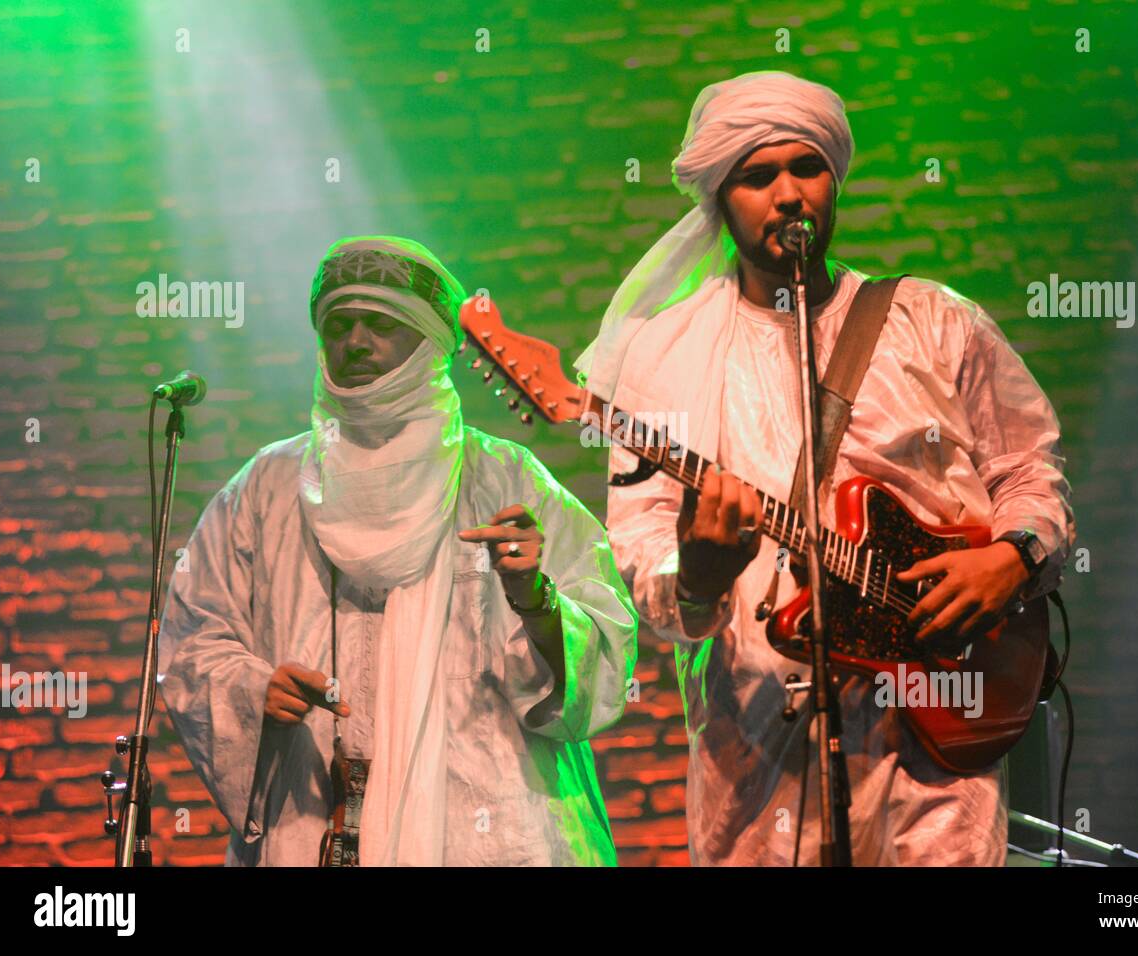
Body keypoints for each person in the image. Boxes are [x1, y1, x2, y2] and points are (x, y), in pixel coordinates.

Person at [577, 72, 1075, 866]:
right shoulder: (662, 362)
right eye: (755, 175)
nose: (786, 194)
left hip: (935, 719)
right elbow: (642, 556)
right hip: (759, 744)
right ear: (719, 197)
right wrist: (699, 575)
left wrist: (1010, 558)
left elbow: (1030, 467)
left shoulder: (932, 322)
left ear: (833, 180)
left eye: (804, 168)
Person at [159, 235, 637, 866]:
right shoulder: (265, 490)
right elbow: (192, 640)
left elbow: (607, 649)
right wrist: (255, 692)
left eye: (380, 323)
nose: (355, 342)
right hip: (313, 826)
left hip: (488, 835)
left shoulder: (505, 479)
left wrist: (537, 600)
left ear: (429, 340)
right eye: (338, 325)